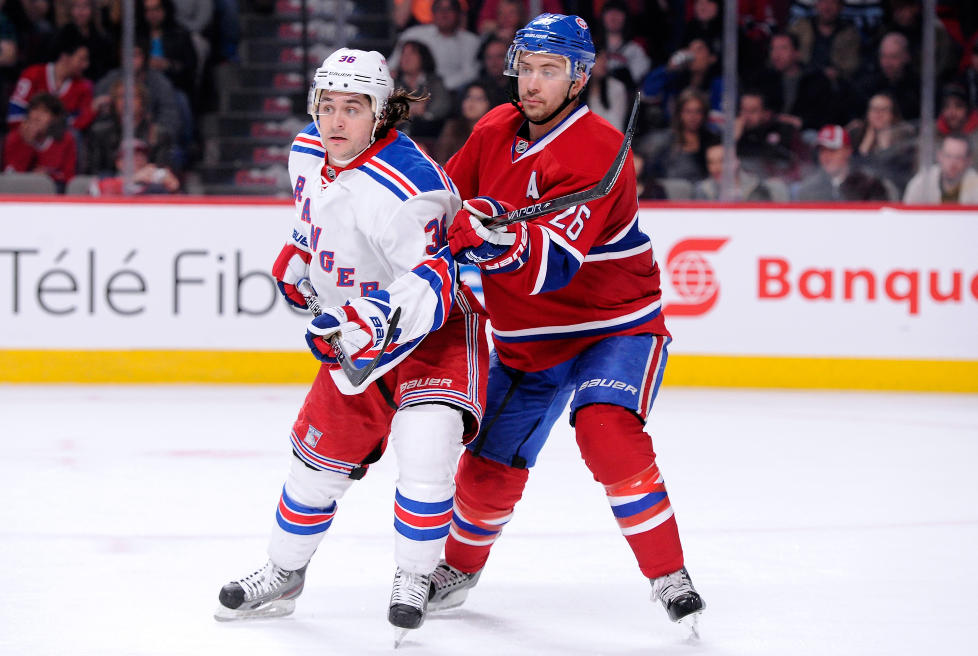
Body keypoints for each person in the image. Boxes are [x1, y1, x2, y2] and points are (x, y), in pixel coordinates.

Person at [425, 13, 706, 630]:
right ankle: (458, 570)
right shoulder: (495, 128)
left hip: (615, 325)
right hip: (527, 338)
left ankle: (669, 575)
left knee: (606, 429)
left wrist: (494, 237)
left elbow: (553, 265)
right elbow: (440, 202)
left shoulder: (599, 149)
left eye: (549, 71)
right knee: (488, 461)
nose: (532, 82)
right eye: (526, 68)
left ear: (578, 79)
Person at [214, 48, 489, 636]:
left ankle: (414, 576)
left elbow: (438, 283)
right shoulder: (305, 150)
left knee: (425, 451)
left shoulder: (410, 189)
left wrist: (362, 323)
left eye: (353, 108)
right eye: (327, 105)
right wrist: (299, 255)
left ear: (380, 113)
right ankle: (284, 573)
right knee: (314, 469)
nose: (335, 121)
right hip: (356, 334)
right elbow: (313, 219)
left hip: (434, 334)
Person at [388, 0, 482, 95]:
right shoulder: (413, 34)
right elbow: (391, 66)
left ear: (459, 14)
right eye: (439, 9)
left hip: (452, 93)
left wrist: (438, 87)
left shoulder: (471, 41)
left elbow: (470, 73)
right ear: (432, 12)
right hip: (412, 91)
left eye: (449, 9)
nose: (444, 14)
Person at [2, 91, 76, 190]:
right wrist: (28, 143)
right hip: (19, 191)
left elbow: (69, 177)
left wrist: (47, 176)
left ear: (55, 118)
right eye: (34, 110)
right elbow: (10, 175)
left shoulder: (65, 139)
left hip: (52, 192)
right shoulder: (14, 138)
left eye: (44, 112)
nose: (37, 117)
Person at [794, 124, 889, 201]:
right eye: (822, 150)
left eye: (832, 150)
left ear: (848, 151)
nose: (826, 156)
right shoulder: (809, 188)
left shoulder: (868, 184)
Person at [903, 133, 978, 204]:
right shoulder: (922, 182)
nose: (953, 163)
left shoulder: (975, 183)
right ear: (939, 155)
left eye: (959, 157)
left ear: (968, 160)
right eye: (948, 156)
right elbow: (907, 211)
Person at [92, 137, 180, 195]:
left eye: (142, 155)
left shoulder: (154, 185)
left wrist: (174, 190)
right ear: (119, 163)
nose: (139, 159)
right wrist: (133, 178)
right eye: (133, 155)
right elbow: (97, 191)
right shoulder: (106, 177)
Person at [693, 142, 777, 201]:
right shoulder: (703, 191)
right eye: (711, 162)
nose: (716, 168)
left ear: (736, 161)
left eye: (722, 161)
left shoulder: (755, 188)